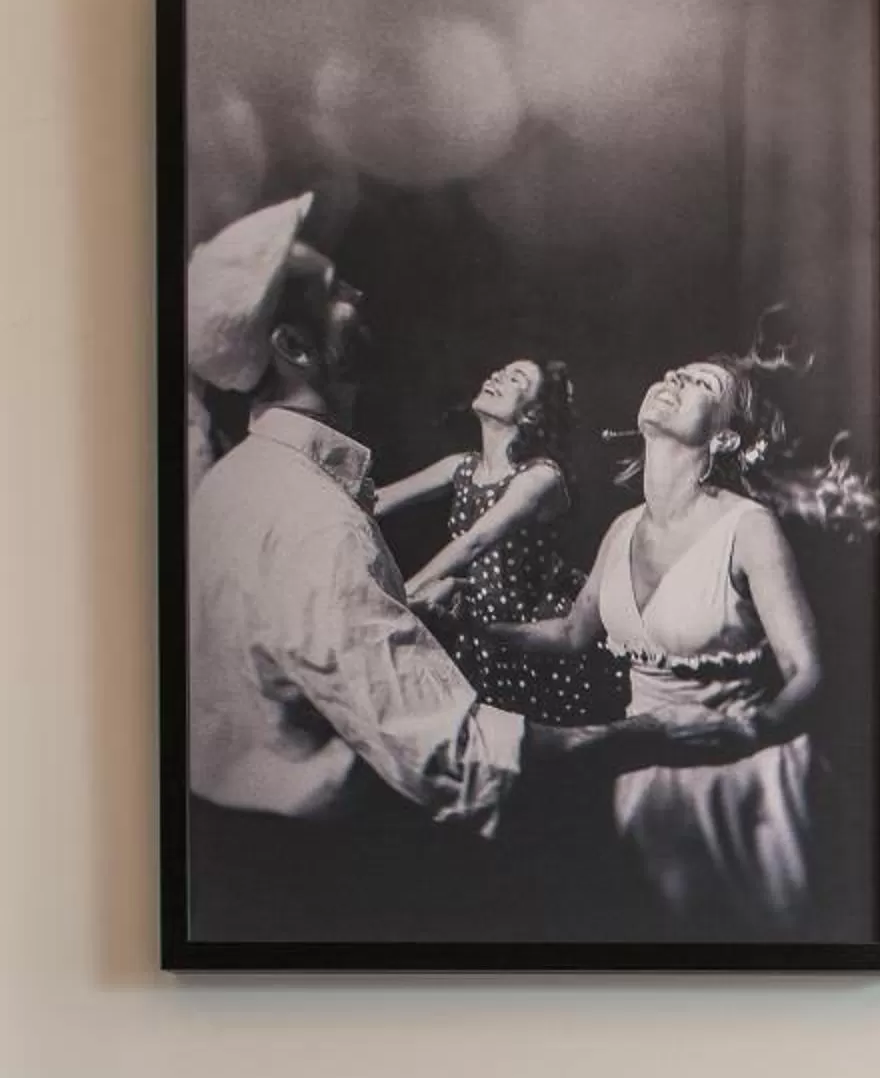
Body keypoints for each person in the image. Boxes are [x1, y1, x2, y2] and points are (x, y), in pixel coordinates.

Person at [181, 197, 690, 945]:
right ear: (295, 343)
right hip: (312, 881)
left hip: (255, 855)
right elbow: (463, 756)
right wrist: (664, 734)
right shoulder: (312, 521)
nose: (359, 298)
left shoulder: (239, 484)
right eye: (336, 292)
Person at [492, 347, 846, 932]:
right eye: (671, 372)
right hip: (646, 780)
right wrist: (464, 627)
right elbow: (573, 634)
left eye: (699, 382)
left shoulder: (749, 528)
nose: (673, 378)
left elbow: (808, 674)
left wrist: (738, 733)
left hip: (747, 785)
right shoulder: (622, 528)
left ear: (726, 439)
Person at [372, 360, 605, 725]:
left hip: (534, 638)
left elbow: (475, 541)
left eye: (517, 379)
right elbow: (376, 501)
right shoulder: (461, 466)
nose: (496, 376)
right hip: (477, 634)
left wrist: (400, 597)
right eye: (500, 371)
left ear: (532, 414)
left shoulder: (541, 476)